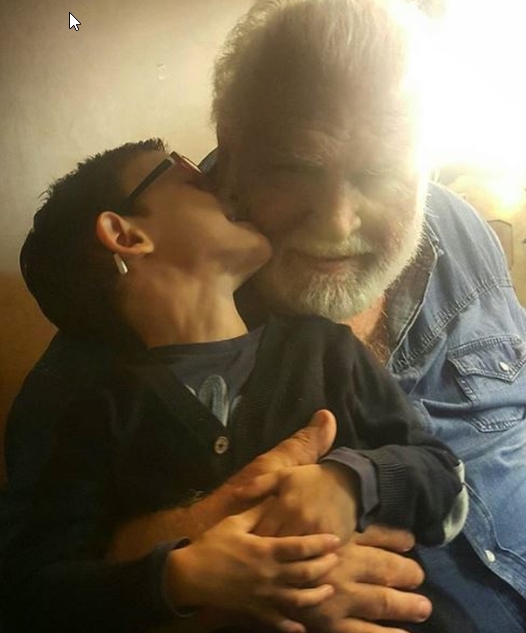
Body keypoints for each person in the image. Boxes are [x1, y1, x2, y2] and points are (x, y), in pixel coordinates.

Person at [2, 0, 525, 631]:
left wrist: (353, 481)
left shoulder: (462, 232)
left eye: (381, 173)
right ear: (230, 157)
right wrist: (208, 570)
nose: (337, 223)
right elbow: (36, 587)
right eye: (294, 169)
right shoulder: (101, 360)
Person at [1, 137, 469, 633]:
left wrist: (352, 481)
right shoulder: (94, 410)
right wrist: (179, 577)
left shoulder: (326, 349)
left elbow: (445, 482)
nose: (223, 186)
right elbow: (34, 592)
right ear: (126, 234)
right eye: (187, 174)